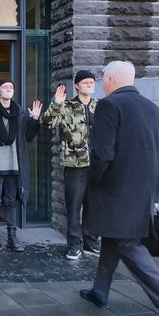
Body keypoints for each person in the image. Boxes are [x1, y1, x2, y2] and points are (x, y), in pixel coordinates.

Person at [80, 61, 159, 316]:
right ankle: (100, 291)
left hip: (115, 191)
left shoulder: (109, 106)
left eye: (103, 78)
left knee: (128, 245)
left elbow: (103, 154)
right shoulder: (152, 108)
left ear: (109, 80)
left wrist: (90, 180)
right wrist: (153, 193)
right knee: (113, 238)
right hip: (141, 192)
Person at [0, 80, 41, 253]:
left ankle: (12, 237)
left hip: (14, 162)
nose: (9, 89)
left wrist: (34, 119)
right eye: (5, 87)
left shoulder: (21, 112)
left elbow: (28, 136)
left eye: (11, 87)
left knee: (11, 201)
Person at [41, 70, 101, 260]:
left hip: (97, 164)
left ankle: (91, 241)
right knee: (74, 206)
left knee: (93, 205)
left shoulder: (100, 106)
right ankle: (75, 244)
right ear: (77, 85)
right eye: (85, 82)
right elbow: (47, 123)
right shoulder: (66, 106)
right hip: (75, 164)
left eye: (92, 82)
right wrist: (56, 102)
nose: (89, 84)